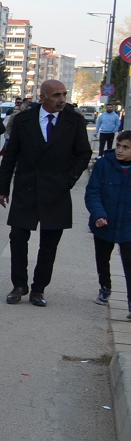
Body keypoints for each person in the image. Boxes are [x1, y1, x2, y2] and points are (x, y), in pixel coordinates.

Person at [0, 79, 91, 306]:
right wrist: (2, 187)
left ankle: (39, 289)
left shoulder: (74, 121)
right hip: (26, 187)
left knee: (49, 243)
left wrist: (68, 179)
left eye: (64, 94)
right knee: (18, 238)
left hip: (56, 190)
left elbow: (84, 154)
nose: (61, 100)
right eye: (56, 95)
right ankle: (19, 285)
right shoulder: (23, 120)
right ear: (43, 98)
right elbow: (11, 155)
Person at [86, 131, 131, 314]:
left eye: (126, 147)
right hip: (104, 223)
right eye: (119, 145)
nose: (120, 150)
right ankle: (105, 287)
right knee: (103, 259)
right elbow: (93, 192)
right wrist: (98, 215)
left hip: (128, 226)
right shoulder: (104, 164)